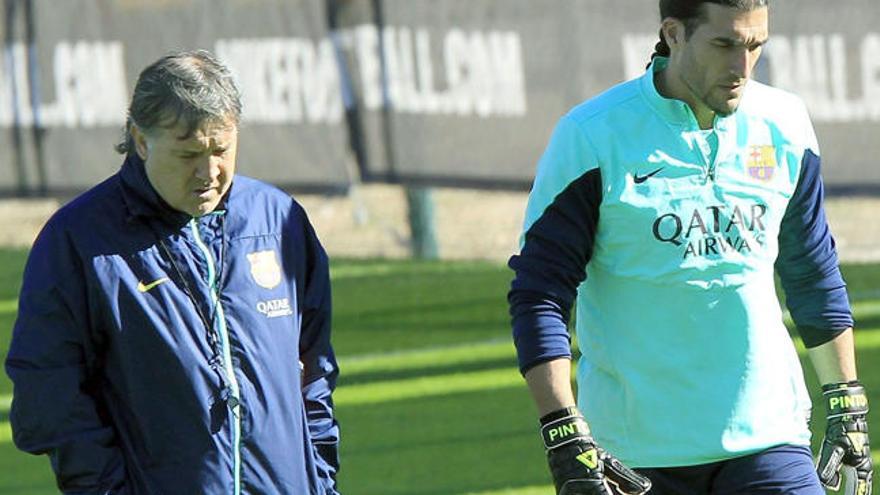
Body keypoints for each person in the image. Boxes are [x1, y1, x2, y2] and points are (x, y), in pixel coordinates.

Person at [508, 1, 872, 494]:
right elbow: (540, 294)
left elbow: (810, 269)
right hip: (632, 456)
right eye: (724, 44)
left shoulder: (785, 123)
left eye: (755, 45)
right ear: (673, 33)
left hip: (770, 439)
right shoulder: (592, 136)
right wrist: (563, 430)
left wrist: (845, 395)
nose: (742, 66)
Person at [5, 50, 340, 494]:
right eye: (188, 155)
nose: (208, 172)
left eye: (221, 150)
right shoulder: (79, 241)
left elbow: (313, 371)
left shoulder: (278, 222)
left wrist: (319, 480)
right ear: (141, 141)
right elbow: (48, 398)